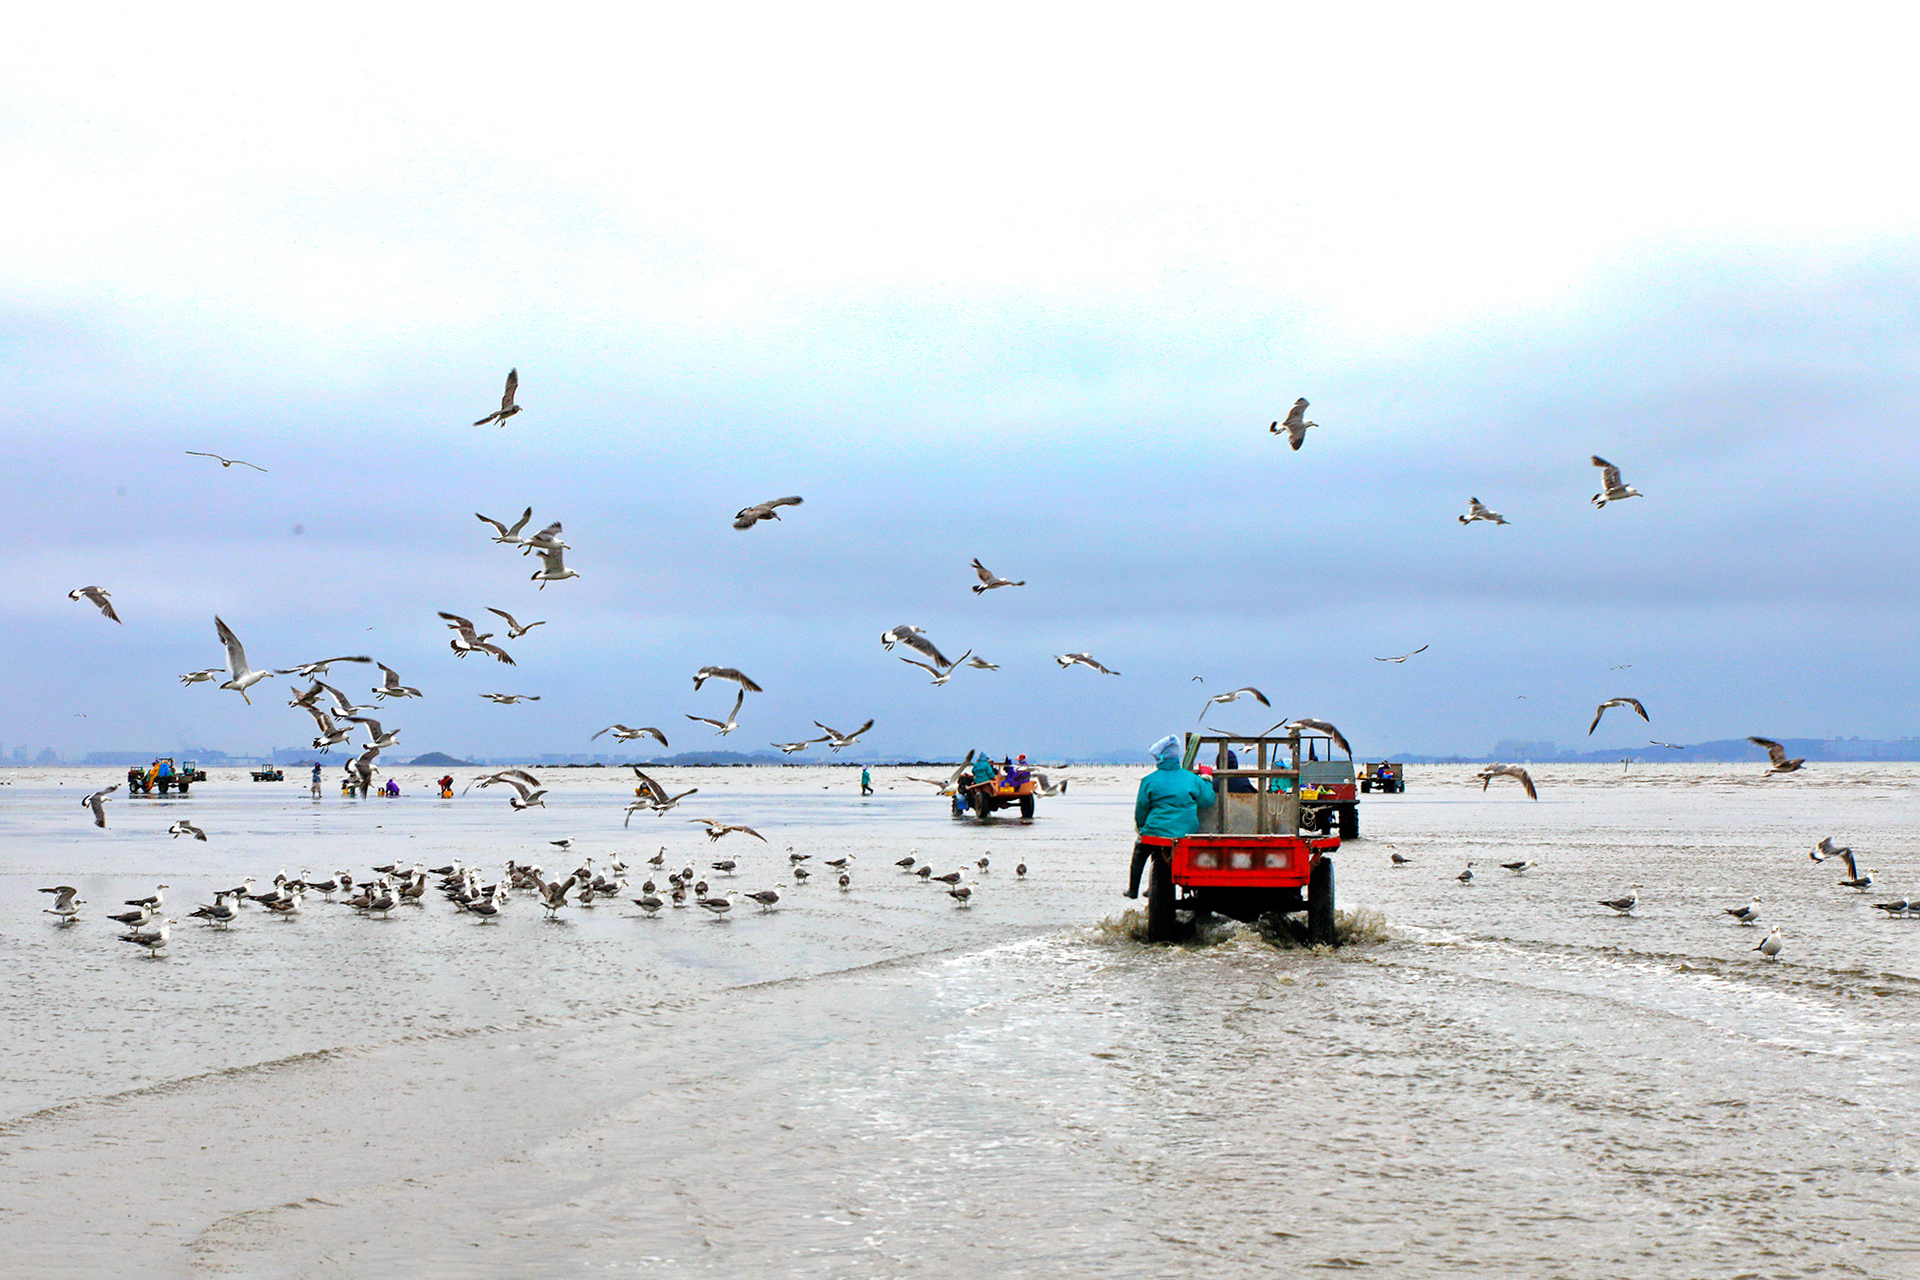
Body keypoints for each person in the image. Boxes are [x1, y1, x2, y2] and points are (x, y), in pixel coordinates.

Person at [1128, 734, 1216, 898]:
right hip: (1184, 831)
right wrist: (1206, 778)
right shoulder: (1191, 778)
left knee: (1141, 849)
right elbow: (1207, 800)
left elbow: (1141, 809)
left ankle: (1133, 889)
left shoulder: (1149, 780)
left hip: (1156, 830)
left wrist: (1141, 826)